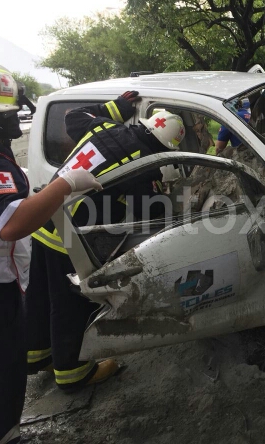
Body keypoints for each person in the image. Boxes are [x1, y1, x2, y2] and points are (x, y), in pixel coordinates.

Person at [25, 92, 185, 392]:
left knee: (39, 295)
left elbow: (73, 117)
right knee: (69, 303)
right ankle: (72, 373)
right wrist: (170, 204)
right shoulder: (141, 164)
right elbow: (152, 212)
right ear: (163, 146)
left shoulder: (105, 127)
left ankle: (35, 357)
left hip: (45, 220)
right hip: (70, 237)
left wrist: (117, 107)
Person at [0, 64, 102, 444]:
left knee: (23, 338)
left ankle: (33, 362)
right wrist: (64, 184)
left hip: (14, 274)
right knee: (5, 372)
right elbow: (10, 224)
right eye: (6, 117)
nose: (16, 124)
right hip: (2, 283)